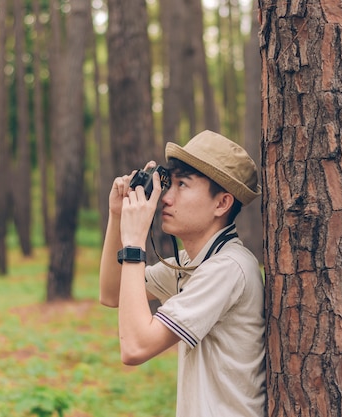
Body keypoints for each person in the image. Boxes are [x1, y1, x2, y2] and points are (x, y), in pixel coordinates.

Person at [99, 130, 266, 417]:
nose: (166, 198)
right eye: (169, 184)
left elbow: (135, 347)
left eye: (182, 185)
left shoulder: (227, 268)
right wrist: (117, 216)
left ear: (222, 203)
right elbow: (112, 293)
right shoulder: (195, 262)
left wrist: (136, 243)